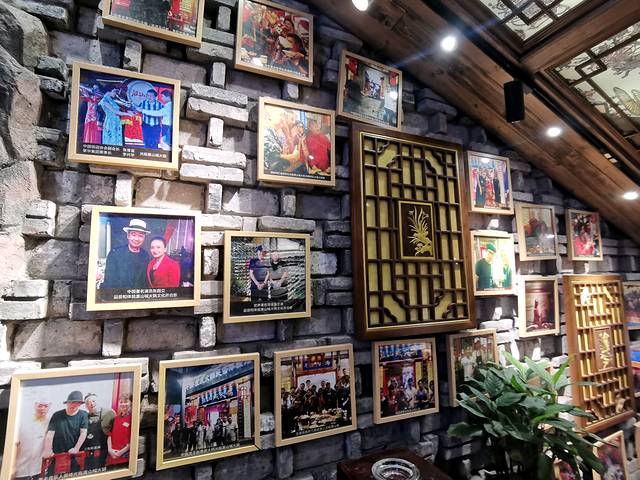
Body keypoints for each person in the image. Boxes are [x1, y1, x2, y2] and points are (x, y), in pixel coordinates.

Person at [43, 391, 89, 475]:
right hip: (57, 453)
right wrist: (48, 450)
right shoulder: (57, 415)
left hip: (74, 454)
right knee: (52, 475)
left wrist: (76, 448)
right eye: (71, 402)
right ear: (67, 403)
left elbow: (83, 433)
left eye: (77, 403)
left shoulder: (83, 414)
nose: (73, 405)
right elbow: (50, 434)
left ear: (80, 404)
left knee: (74, 475)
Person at [101, 219, 151, 289]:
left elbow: (145, 281)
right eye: (133, 235)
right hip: (119, 294)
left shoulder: (145, 255)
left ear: (144, 238)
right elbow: (109, 282)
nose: (137, 239)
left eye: (141, 236)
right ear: (128, 235)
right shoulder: (115, 254)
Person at [14, 399, 51, 480]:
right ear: (35, 405)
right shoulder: (23, 421)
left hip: (38, 470)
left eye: (45, 406)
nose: (43, 408)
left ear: (49, 407)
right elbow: (15, 444)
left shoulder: (50, 423)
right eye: (40, 406)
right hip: (20, 469)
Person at [82, 393, 115, 471]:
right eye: (88, 403)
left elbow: (115, 431)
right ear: (86, 406)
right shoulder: (84, 417)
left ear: (99, 401)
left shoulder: (109, 413)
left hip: (105, 451)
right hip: (89, 453)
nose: (91, 404)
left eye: (93, 401)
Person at [106, 393, 132, 466]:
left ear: (131, 403)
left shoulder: (132, 418)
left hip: (124, 456)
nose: (123, 404)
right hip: (112, 455)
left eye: (126, 402)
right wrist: (110, 450)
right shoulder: (115, 419)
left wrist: (120, 453)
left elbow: (133, 439)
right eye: (121, 402)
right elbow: (109, 435)